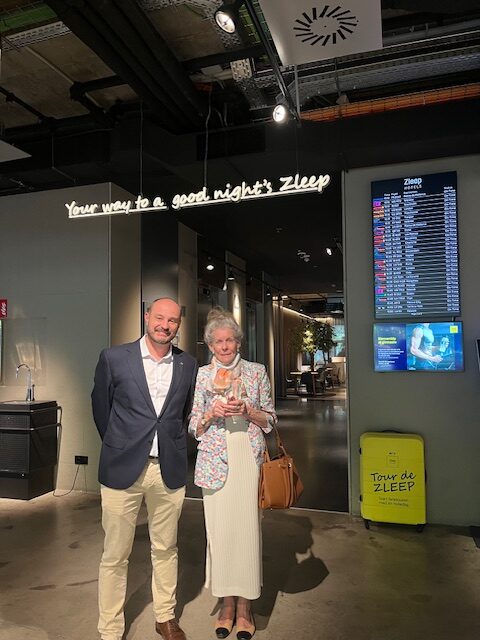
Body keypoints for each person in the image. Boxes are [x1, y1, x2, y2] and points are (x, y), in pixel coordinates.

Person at [91, 298, 198, 640]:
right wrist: (120, 444)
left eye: (173, 320)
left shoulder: (188, 364)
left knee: (166, 548)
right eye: (159, 318)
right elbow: (101, 408)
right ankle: (110, 628)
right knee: (115, 554)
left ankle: (165, 617)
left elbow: (185, 413)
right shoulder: (114, 358)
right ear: (146, 316)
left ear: (178, 325)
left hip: (167, 469)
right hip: (122, 468)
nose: (165, 325)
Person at [188, 308, 277, 640]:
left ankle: (245, 606)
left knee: (247, 531)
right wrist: (211, 413)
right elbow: (193, 426)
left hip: (247, 459)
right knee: (220, 532)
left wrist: (249, 411)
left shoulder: (256, 372)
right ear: (210, 345)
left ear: (239, 342)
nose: (224, 346)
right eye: (218, 342)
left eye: (229, 340)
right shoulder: (202, 376)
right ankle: (226, 605)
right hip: (214, 461)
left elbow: (271, 420)